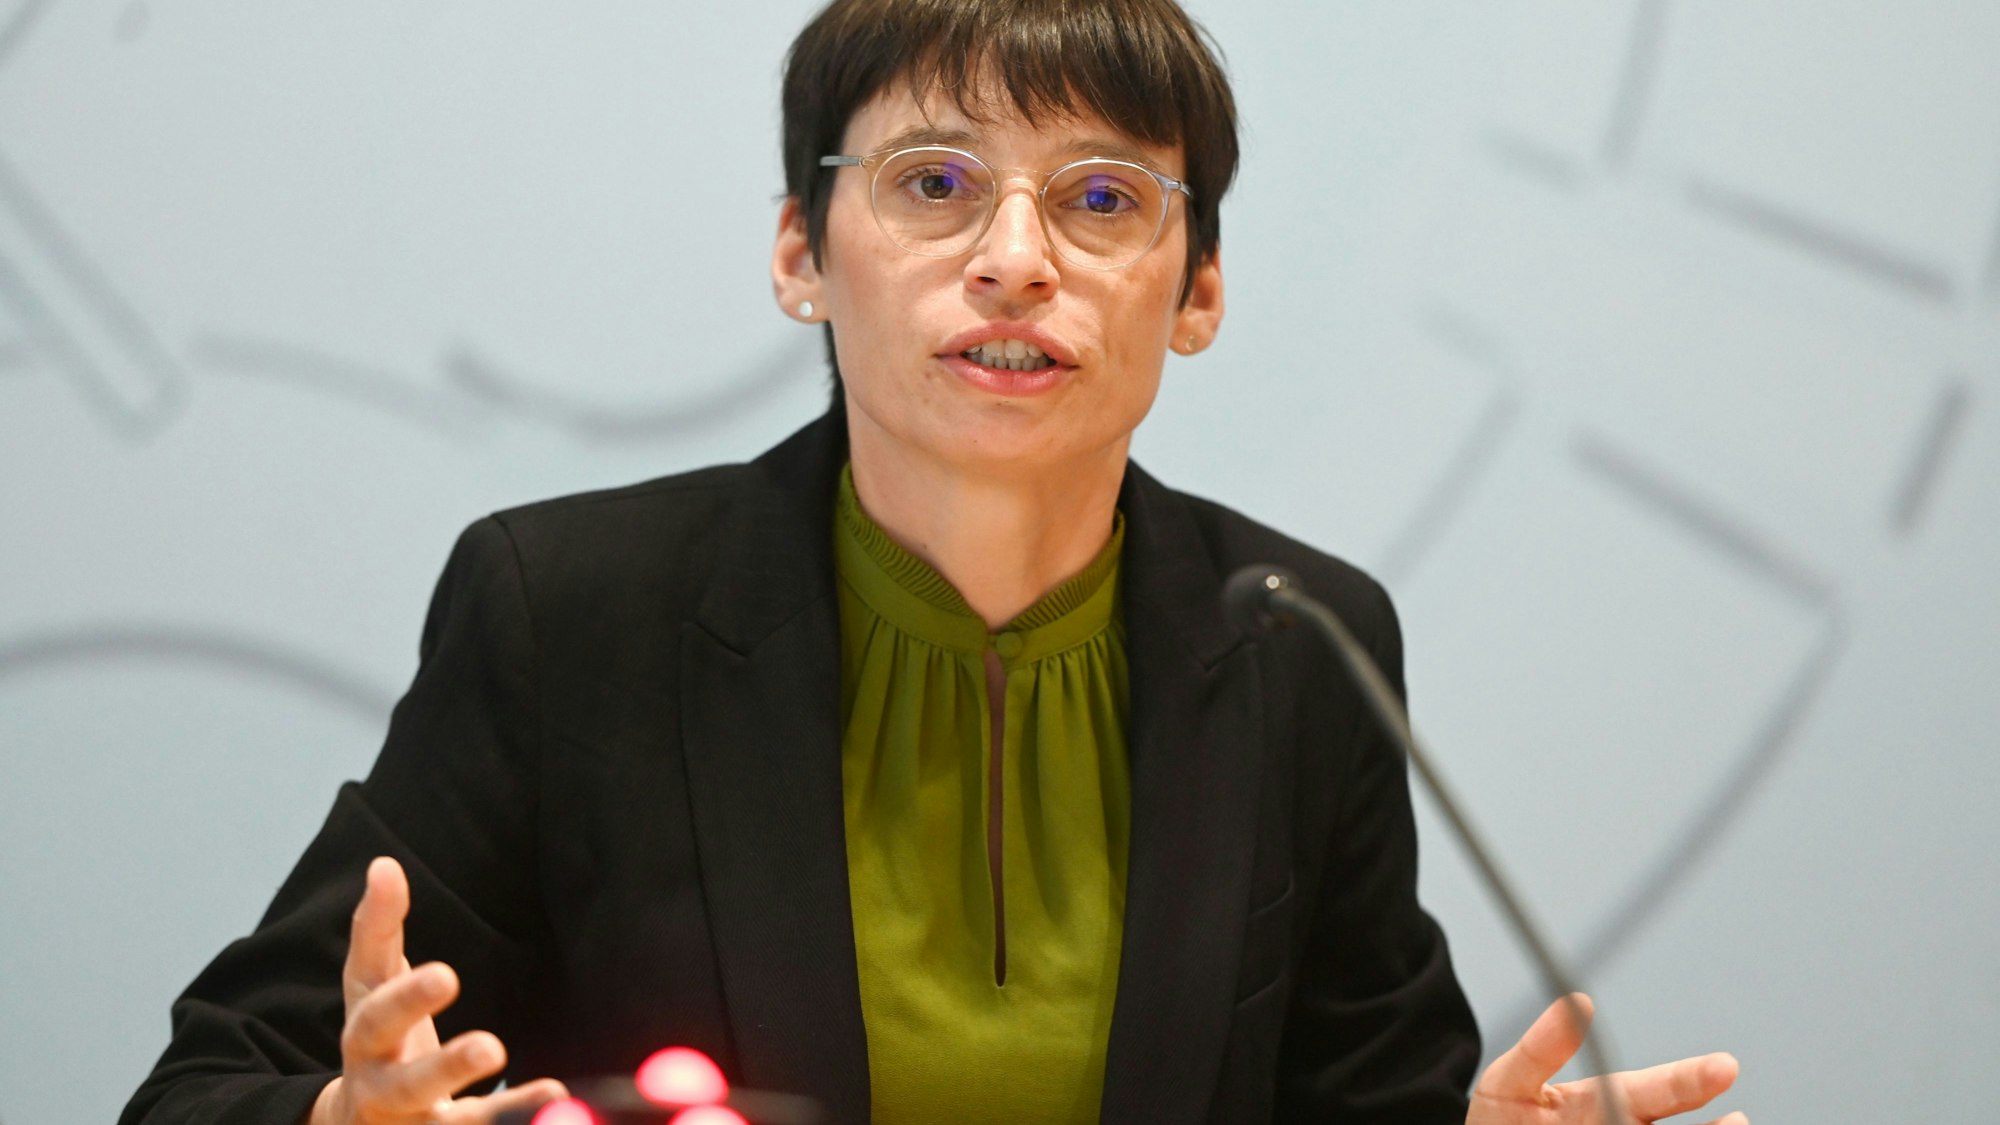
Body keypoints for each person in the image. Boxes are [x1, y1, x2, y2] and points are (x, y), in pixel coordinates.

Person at [122, 1, 1749, 1123]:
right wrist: (343, 1110)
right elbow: (201, 1088)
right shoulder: (574, 617)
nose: (1018, 260)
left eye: (1103, 196)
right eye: (935, 185)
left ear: (1199, 291)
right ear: (799, 256)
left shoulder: (1294, 641)